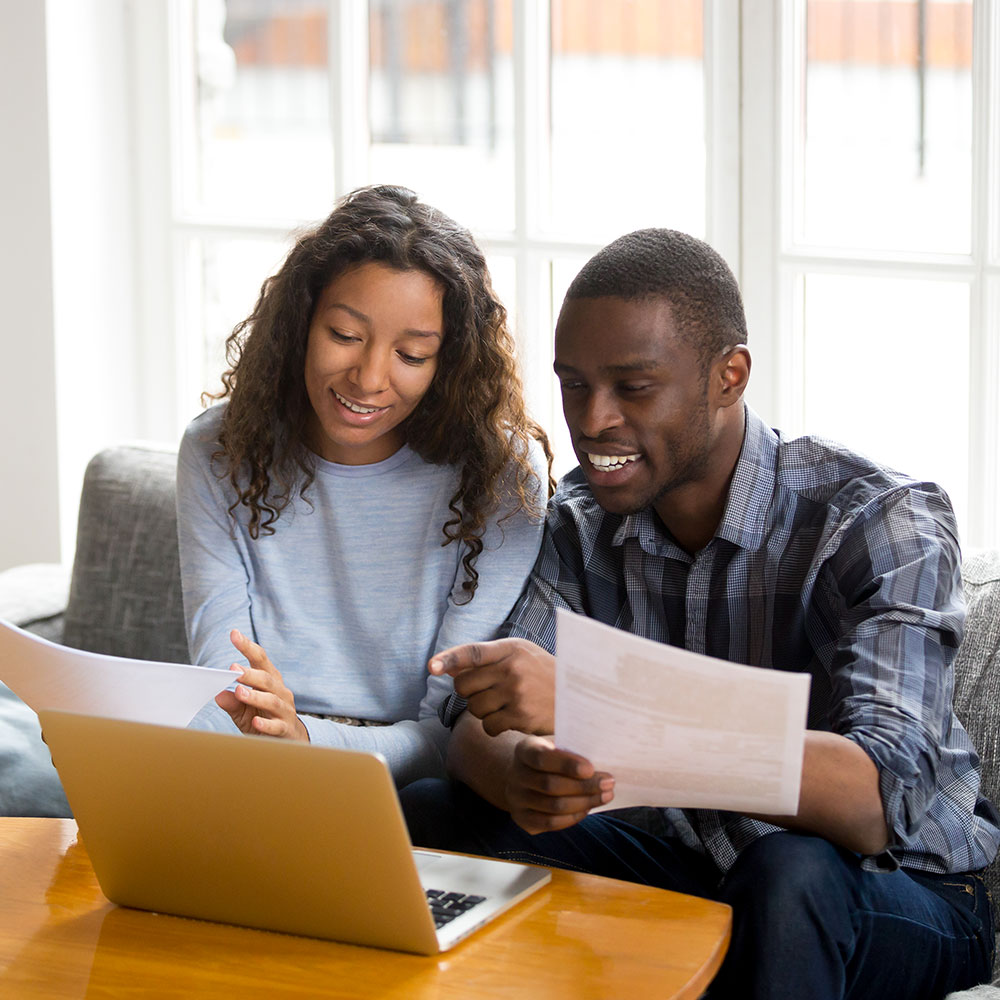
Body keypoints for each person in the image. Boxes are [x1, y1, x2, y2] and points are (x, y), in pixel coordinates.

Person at [400, 228, 1000, 998]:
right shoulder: (582, 521)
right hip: (704, 871)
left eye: (633, 387)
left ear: (729, 376)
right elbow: (472, 721)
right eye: (574, 384)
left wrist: (597, 703)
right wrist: (517, 767)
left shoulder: (881, 521)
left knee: (788, 873)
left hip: (902, 890)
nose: (593, 419)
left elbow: (876, 801)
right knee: (439, 813)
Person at [176, 184, 551, 788]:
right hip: (248, 763)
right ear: (301, 324)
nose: (369, 377)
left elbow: (447, 735)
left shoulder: (502, 476)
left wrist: (304, 739)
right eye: (345, 336)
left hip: (403, 783)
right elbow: (221, 686)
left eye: (411, 354)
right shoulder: (219, 449)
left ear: (447, 362)